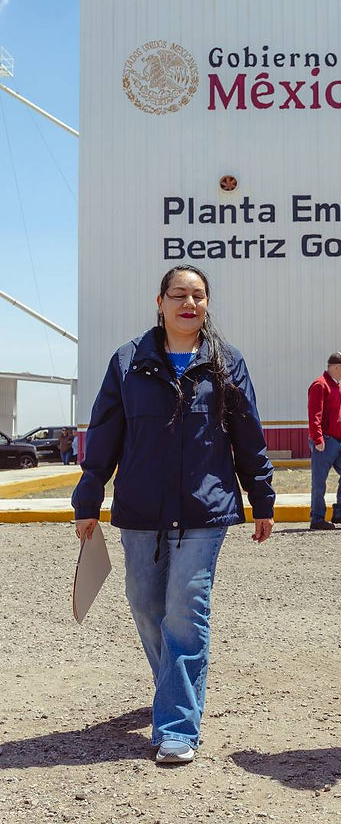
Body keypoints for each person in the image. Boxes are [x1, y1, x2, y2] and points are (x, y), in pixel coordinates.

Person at [72, 264, 275, 765]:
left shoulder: (226, 362)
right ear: (158, 301)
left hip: (206, 509)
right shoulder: (128, 362)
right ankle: (173, 688)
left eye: (199, 296)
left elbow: (248, 435)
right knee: (145, 604)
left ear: (207, 304)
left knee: (185, 609)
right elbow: (104, 435)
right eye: (179, 294)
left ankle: (178, 726)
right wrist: (88, 498)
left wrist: (262, 497)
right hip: (141, 508)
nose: (190, 303)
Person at [308, 352, 341, 530]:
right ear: (335, 367)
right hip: (326, 441)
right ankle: (317, 518)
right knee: (319, 481)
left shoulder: (335, 386)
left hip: (339, 441)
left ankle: (339, 514)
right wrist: (318, 438)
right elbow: (315, 414)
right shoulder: (320, 385)